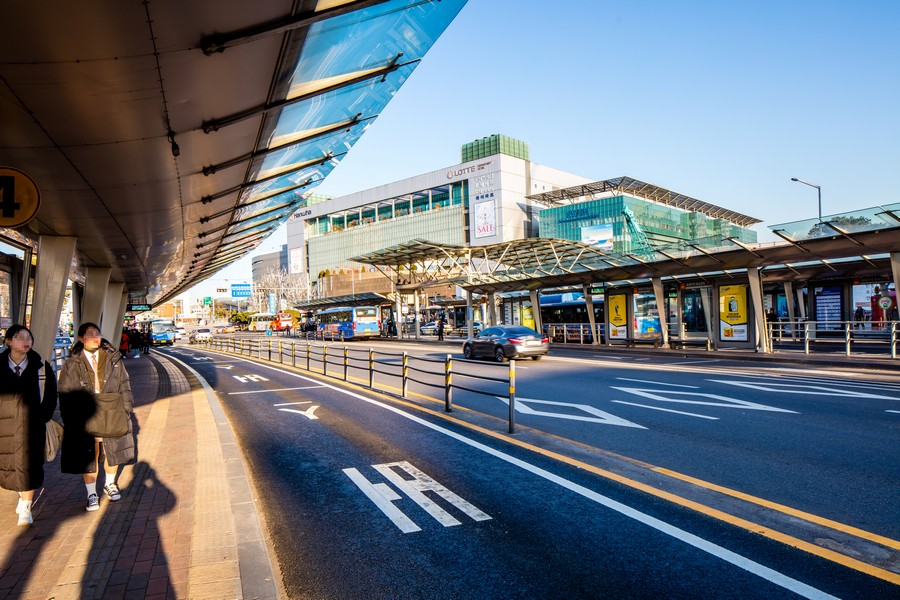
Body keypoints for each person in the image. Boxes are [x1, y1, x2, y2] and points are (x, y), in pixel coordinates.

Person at [58, 322, 135, 512]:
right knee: (90, 452)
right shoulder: (71, 364)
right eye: (90, 334)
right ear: (81, 338)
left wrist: (126, 408)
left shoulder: (113, 359)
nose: (95, 337)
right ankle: (91, 493)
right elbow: (65, 391)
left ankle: (110, 484)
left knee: (112, 448)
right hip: (86, 413)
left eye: (97, 333)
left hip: (112, 410)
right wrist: (70, 417)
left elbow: (124, 383)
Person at [0, 325, 58, 526]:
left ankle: (26, 505)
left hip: (32, 426)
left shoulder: (41, 366)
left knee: (31, 466)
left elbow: (51, 394)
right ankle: (21, 494)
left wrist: (43, 415)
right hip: (4, 427)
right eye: (18, 337)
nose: (25, 341)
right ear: (8, 341)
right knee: (10, 466)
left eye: (28, 337)